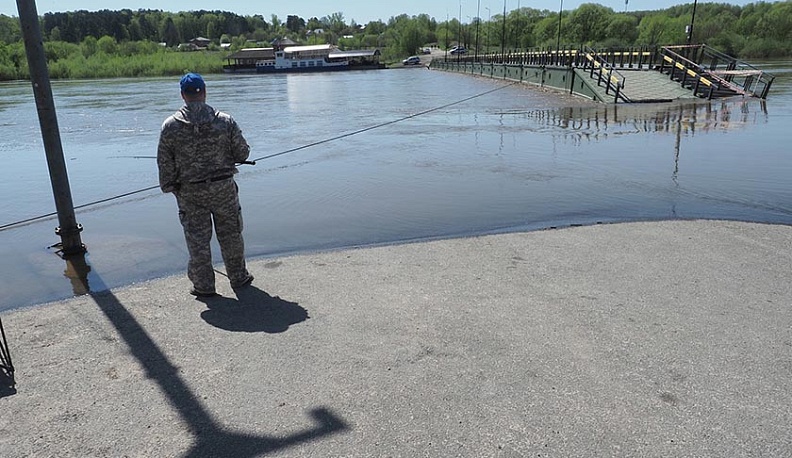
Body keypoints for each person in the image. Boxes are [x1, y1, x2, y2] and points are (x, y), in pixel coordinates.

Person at [157, 72, 254, 297]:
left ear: (183, 95)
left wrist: (171, 188)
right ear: (204, 92)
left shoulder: (170, 126)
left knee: (197, 240)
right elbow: (242, 152)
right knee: (231, 234)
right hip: (223, 190)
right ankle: (238, 277)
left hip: (190, 192)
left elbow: (164, 164)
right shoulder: (225, 120)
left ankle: (204, 286)